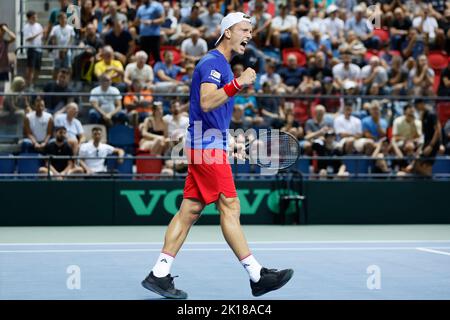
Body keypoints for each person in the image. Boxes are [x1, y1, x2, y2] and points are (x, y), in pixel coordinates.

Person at [141, 12, 293, 299]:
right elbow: (208, 101)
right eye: (244, 29)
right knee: (230, 206)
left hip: (207, 144)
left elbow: (213, 112)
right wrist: (240, 82)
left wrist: (228, 142)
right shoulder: (213, 63)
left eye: (251, 30)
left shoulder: (221, 64)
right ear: (227, 32)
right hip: (206, 148)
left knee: (189, 211)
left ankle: (159, 274)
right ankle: (257, 275)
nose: (249, 35)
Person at [23, 11, 43, 89]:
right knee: (30, 68)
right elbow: (28, 39)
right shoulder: (26, 27)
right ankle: (28, 85)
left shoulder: (39, 25)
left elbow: (42, 36)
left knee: (38, 69)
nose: (35, 19)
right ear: (29, 18)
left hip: (39, 49)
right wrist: (39, 33)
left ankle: (33, 84)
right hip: (31, 49)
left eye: (36, 17)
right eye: (33, 17)